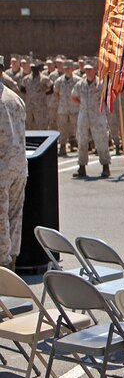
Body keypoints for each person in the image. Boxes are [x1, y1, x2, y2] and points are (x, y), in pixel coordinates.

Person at [0, 82, 27, 268]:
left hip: (2, 168)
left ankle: (3, 267)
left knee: (1, 219)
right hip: (18, 167)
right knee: (15, 215)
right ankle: (13, 264)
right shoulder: (15, 98)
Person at [72, 63, 111, 178]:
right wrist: (84, 105)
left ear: (95, 70)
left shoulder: (101, 84)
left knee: (101, 141)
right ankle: (82, 167)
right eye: (86, 70)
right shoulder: (80, 84)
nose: (88, 72)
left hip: (97, 116)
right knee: (82, 142)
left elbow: (108, 98)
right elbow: (73, 97)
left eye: (90, 70)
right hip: (84, 116)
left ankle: (105, 166)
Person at [54, 62, 81, 156]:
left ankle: (80, 146)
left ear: (72, 69)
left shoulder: (78, 80)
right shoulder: (59, 81)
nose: (66, 70)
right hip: (63, 109)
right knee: (62, 129)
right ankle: (62, 146)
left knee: (77, 128)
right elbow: (56, 93)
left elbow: (80, 94)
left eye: (68, 68)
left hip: (74, 109)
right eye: (65, 68)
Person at [18, 64, 52, 131]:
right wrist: (30, 95)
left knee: (42, 126)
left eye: (36, 68)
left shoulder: (44, 79)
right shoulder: (26, 79)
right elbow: (22, 89)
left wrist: (43, 94)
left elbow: (51, 88)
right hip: (29, 106)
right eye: (32, 68)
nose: (34, 69)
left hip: (40, 107)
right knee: (28, 126)